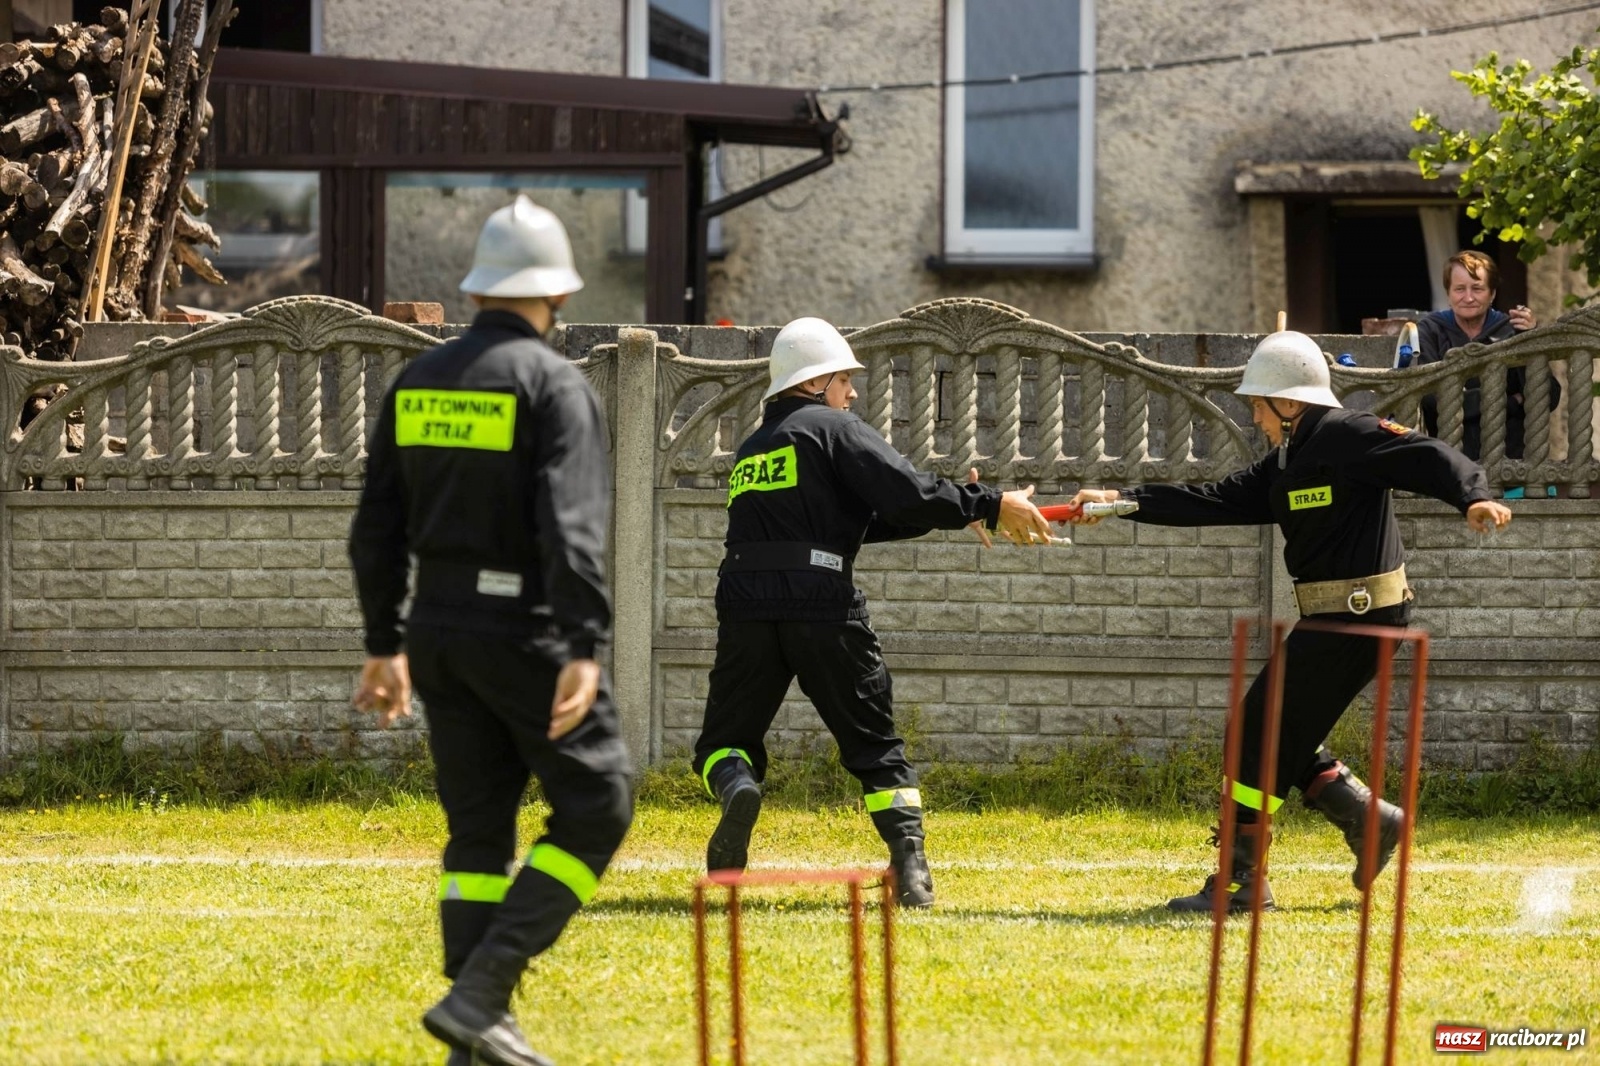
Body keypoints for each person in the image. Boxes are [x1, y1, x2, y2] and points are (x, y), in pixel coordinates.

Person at [1069, 330, 1512, 912]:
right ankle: (1367, 819)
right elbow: (1212, 500)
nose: (1254, 416)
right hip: (1334, 618)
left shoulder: (1350, 434)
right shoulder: (1287, 462)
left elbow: (1429, 455)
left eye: (1258, 403)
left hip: (1364, 614)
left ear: (1291, 401)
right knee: (1276, 731)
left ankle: (1243, 882)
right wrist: (1121, 500)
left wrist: (1472, 497)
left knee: (1255, 733)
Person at [349, 195, 632, 1066]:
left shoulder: (418, 382)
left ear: (478, 290)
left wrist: (383, 642)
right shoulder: (554, 385)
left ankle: (475, 1037)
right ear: (557, 296)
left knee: (479, 835)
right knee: (598, 803)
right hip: (527, 633)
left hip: (435, 633)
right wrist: (582, 644)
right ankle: (483, 990)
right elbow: (571, 528)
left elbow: (375, 529)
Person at [691, 317, 1053, 907]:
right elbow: (904, 491)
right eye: (844, 380)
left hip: (745, 603)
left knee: (721, 742)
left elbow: (858, 521)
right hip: (822, 602)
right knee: (873, 744)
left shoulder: (754, 449)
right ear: (815, 383)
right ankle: (910, 869)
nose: (852, 393)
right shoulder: (835, 428)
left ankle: (735, 786)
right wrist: (990, 503)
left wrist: (959, 513)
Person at [1416, 250, 1541, 462]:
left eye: (1477, 288)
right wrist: (1511, 402)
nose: (1468, 297)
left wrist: (1530, 340)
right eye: (1459, 289)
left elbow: (1547, 397)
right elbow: (1430, 400)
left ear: (1492, 294)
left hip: (1510, 462)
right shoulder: (1430, 330)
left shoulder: (1512, 330)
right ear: (1448, 293)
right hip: (1448, 461)